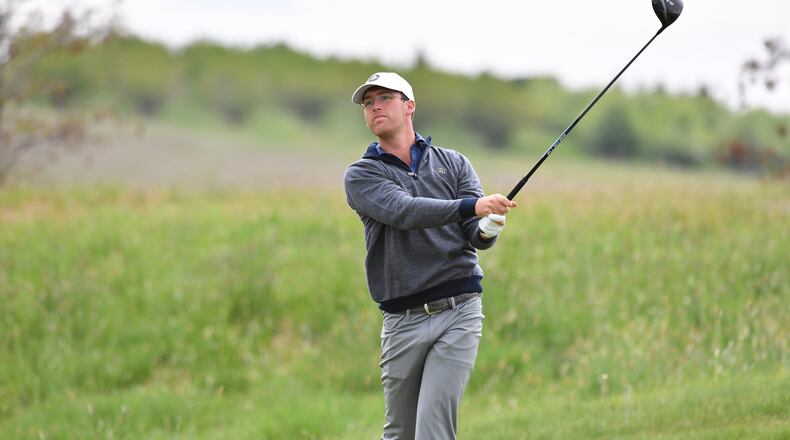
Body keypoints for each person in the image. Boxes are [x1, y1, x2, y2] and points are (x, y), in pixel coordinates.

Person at [343, 72, 517, 440]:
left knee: (432, 429)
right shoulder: (362, 175)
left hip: (459, 311)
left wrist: (487, 228)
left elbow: (474, 235)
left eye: (384, 98)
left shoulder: (453, 163)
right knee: (401, 433)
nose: (374, 106)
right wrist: (472, 207)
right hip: (402, 319)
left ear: (410, 106)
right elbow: (405, 212)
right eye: (368, 102)